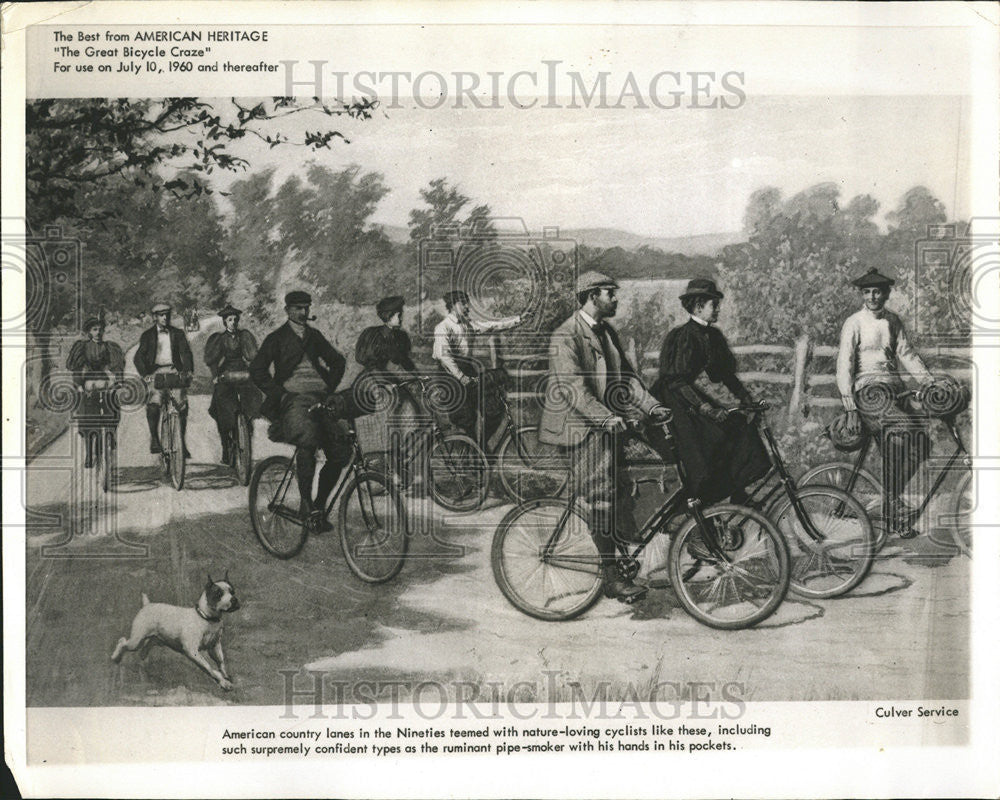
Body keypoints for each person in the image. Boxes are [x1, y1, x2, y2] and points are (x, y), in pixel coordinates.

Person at [538, 271, 670, 604]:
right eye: (611, 293)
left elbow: (627, 379)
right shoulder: (565, 335)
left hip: (607, 423)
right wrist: (606, 417)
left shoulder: (606, 332)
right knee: (602, 496)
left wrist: (652, 407)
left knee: (633, 481)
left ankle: (627, 553)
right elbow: (573, 390)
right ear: (592, 295)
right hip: (578, 428)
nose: (616, 298)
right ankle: (611, 577)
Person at [652, 278, 770, 507]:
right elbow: (675, 380)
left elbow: (725, 374)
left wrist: (746, 401)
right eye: (713, 305)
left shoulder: (713, 336)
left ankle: (738, 491)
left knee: (739, 427)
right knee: (706, 444)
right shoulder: (682, 336)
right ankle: (694, 505)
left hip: (689, 395)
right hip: (672, 399)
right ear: (698, 307)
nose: (717, 309)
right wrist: (705, 408)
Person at [836, 267, 932, 535]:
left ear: (886, 293)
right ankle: (892, 506)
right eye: (867, 292)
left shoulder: (893, 321)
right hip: (868, 392)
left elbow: (907, 354)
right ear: (862, 294)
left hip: (893, 392)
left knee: (921, 446)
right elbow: (844, 364)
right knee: (903, 435)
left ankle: (892, 507)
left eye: (877, 291)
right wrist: (849, 405)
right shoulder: (854, 323)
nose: (872, 296)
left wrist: (928, 382)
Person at [250, 291, 350, 533]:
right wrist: (280, 394)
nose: (303, 313)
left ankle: (319, 506)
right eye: (298, 308)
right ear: (287, 311)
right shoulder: (277, 338)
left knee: (340, 450)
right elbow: (257, 369)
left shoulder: (314, 337)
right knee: (307, 439)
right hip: (292, 400)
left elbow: (338, 362)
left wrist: (328, 389)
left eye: (306, 308)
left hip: (320, 398)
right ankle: (305, 505)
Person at [432, 290, 522, 444]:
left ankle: (481, 448)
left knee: (494, 409)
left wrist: (518, 319)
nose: (467, 307)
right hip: (449, 375)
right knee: (466, 419)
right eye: (463, 303)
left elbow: (493, 325)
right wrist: (461, 377)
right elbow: (444, 356)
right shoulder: (443, 327)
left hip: (467, 370)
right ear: (453, 306)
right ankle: (472, 457)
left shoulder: (468, 325)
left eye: (467, 303)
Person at [133, 302, 194, 456]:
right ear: (155, 317)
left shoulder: (178, 333)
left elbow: (186, 354)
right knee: (155, 400)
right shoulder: (147, 336)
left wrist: (186, 371)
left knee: (181, 404)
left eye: (167, 314)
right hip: (155, 372)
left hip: (174, 370)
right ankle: (154, 438)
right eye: (161, 315)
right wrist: (145, 374)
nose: (165, 317)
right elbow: (138, 357)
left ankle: (181, 442)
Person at [204, 304, 261, 465]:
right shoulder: (220, 339)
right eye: (230, 320)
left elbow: (252, 356)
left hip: (242, 371)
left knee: (251, 398)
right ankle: (225, 446)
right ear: (225, 322)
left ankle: (246, 427)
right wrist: (215, 375)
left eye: (235, 319)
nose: (233, 322)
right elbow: (212, 360)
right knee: (221, 407)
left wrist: (256, 369)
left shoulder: (244, 336)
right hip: (226, 372)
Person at [66, 316, 125, 467]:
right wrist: (78, 385)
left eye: (100, 329)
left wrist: (117, 382)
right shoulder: (82, 347)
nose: (98, 332)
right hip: (88, 382)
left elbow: (117, 366)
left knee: (112, 406)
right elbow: (77, 369)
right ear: (89, 332)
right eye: (94, 329)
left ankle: (111, 433)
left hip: (103, 379)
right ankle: (88, 452)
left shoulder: (109, 347)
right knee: (86, 416)